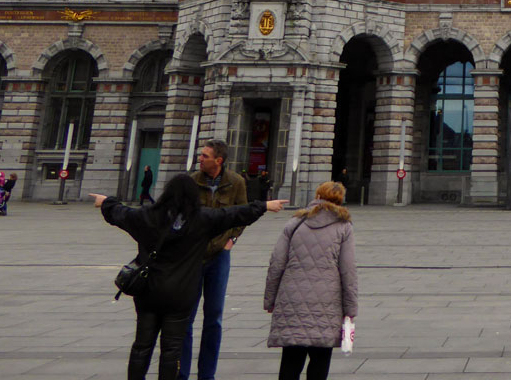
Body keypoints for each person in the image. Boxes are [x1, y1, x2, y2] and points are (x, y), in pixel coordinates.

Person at [91, 174, 287, 380]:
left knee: (142, 345)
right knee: (172, 349)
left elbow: (121, 213)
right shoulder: (201, 220)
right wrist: (264, 205)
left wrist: (106, 202)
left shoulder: (147, 217)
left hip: (149, 291)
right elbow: (235, 214)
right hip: (181, 294)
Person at [264, 181, 358, 380]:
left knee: (291, 360)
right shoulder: (344, 226)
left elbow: (276, 264)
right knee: (320, 359)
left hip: (292, 298)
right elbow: (348, 270)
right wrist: (351, 308)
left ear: (317, 196)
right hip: (327, 302)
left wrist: (270, 299)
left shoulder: (295, 222)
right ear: (340, 200)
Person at [179, 140, 248, 380]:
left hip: (219, 256)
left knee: (214, 317)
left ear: (218, 161)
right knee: (184, 317)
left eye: (205, 156)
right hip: (192, 256)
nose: (200, 159)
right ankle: (181, 373)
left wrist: (232, 241)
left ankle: (207, 375)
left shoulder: (236, 182)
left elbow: (242, 215)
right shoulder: (191, 182)